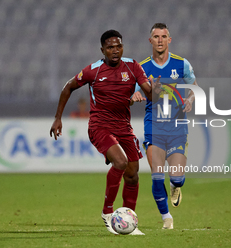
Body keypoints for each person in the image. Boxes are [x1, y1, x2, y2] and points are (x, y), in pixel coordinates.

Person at [50, 30, 158, 235]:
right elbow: (68, 87)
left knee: (133, 175)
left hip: (124, 127)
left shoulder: (133, 66)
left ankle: (128, 221)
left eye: (118, 46)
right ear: (103, 50)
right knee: (121, 162)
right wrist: (58, 117)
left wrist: (154, 89)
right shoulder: (94, 70)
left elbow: (150, 93)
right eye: (110, 47)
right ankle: (107, 211)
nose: (115, 51)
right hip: (100, 126)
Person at [132, 23, 198, 229]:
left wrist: (190, 99)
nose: (160, 40)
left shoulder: (182, 64)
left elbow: (194, 87)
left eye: (163, 36)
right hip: (154, 126)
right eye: (156, 36)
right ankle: (166, 218)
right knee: (157, 174)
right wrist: (134, 96)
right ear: (150, 40)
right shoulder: (141, 68)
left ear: (169, 40)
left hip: (177, 126)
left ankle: (175, 185)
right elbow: (132, 94)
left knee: (177, 177)